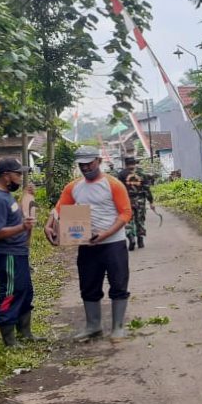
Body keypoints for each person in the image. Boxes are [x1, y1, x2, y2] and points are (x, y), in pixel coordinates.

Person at [44, 146, 133, 343]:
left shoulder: (114, 185)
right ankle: (93, 326)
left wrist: (106, 233)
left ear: (99, 161)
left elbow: (126, 213)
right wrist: (49, 225)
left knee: (118, 283)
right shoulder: (74, 187)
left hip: (113, 243)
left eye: (89, 164)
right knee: (89, 284)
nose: (85, 168)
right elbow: (59, 208)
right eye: (81, 165)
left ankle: (118, 327)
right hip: (87, 244)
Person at [0, 157, 38, 348]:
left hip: (18, 252)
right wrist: (23, 227)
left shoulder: (6, 196)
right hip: (7, 254)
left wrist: (25, 196)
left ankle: (25, 332)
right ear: (6, 176)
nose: (20, 177)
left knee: (25, 290)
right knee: (10, 292)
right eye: (17, 174)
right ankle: (9, 338)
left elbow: (12, 215)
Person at [117, 156, 155, 250]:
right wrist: (151, 202)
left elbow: (118, 190)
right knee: (140, 220)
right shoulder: (142, 174)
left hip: (127, 201)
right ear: (135, 163)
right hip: (140, 201)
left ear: (126, 164)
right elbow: (146, 189)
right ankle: (140, 240)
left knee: (128, 220)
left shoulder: (121, 174)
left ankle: (131, 238)